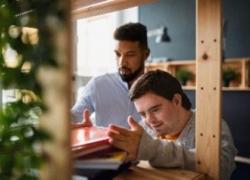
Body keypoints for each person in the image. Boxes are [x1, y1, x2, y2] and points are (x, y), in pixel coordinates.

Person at [107, 70, 237, 180]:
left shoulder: (212, 125)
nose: (149, 120)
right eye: (143, 114)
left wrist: (152, 150)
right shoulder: (146, 126)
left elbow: (222, 169)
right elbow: (130, 154)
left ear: (176, 100)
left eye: (155, 110)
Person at [71, 22, 150, 128]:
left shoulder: (158, 89)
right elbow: (74, 117)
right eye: (118, 54)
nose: (122, 63)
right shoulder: (98, 85)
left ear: (145, 55)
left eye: (130, 55)